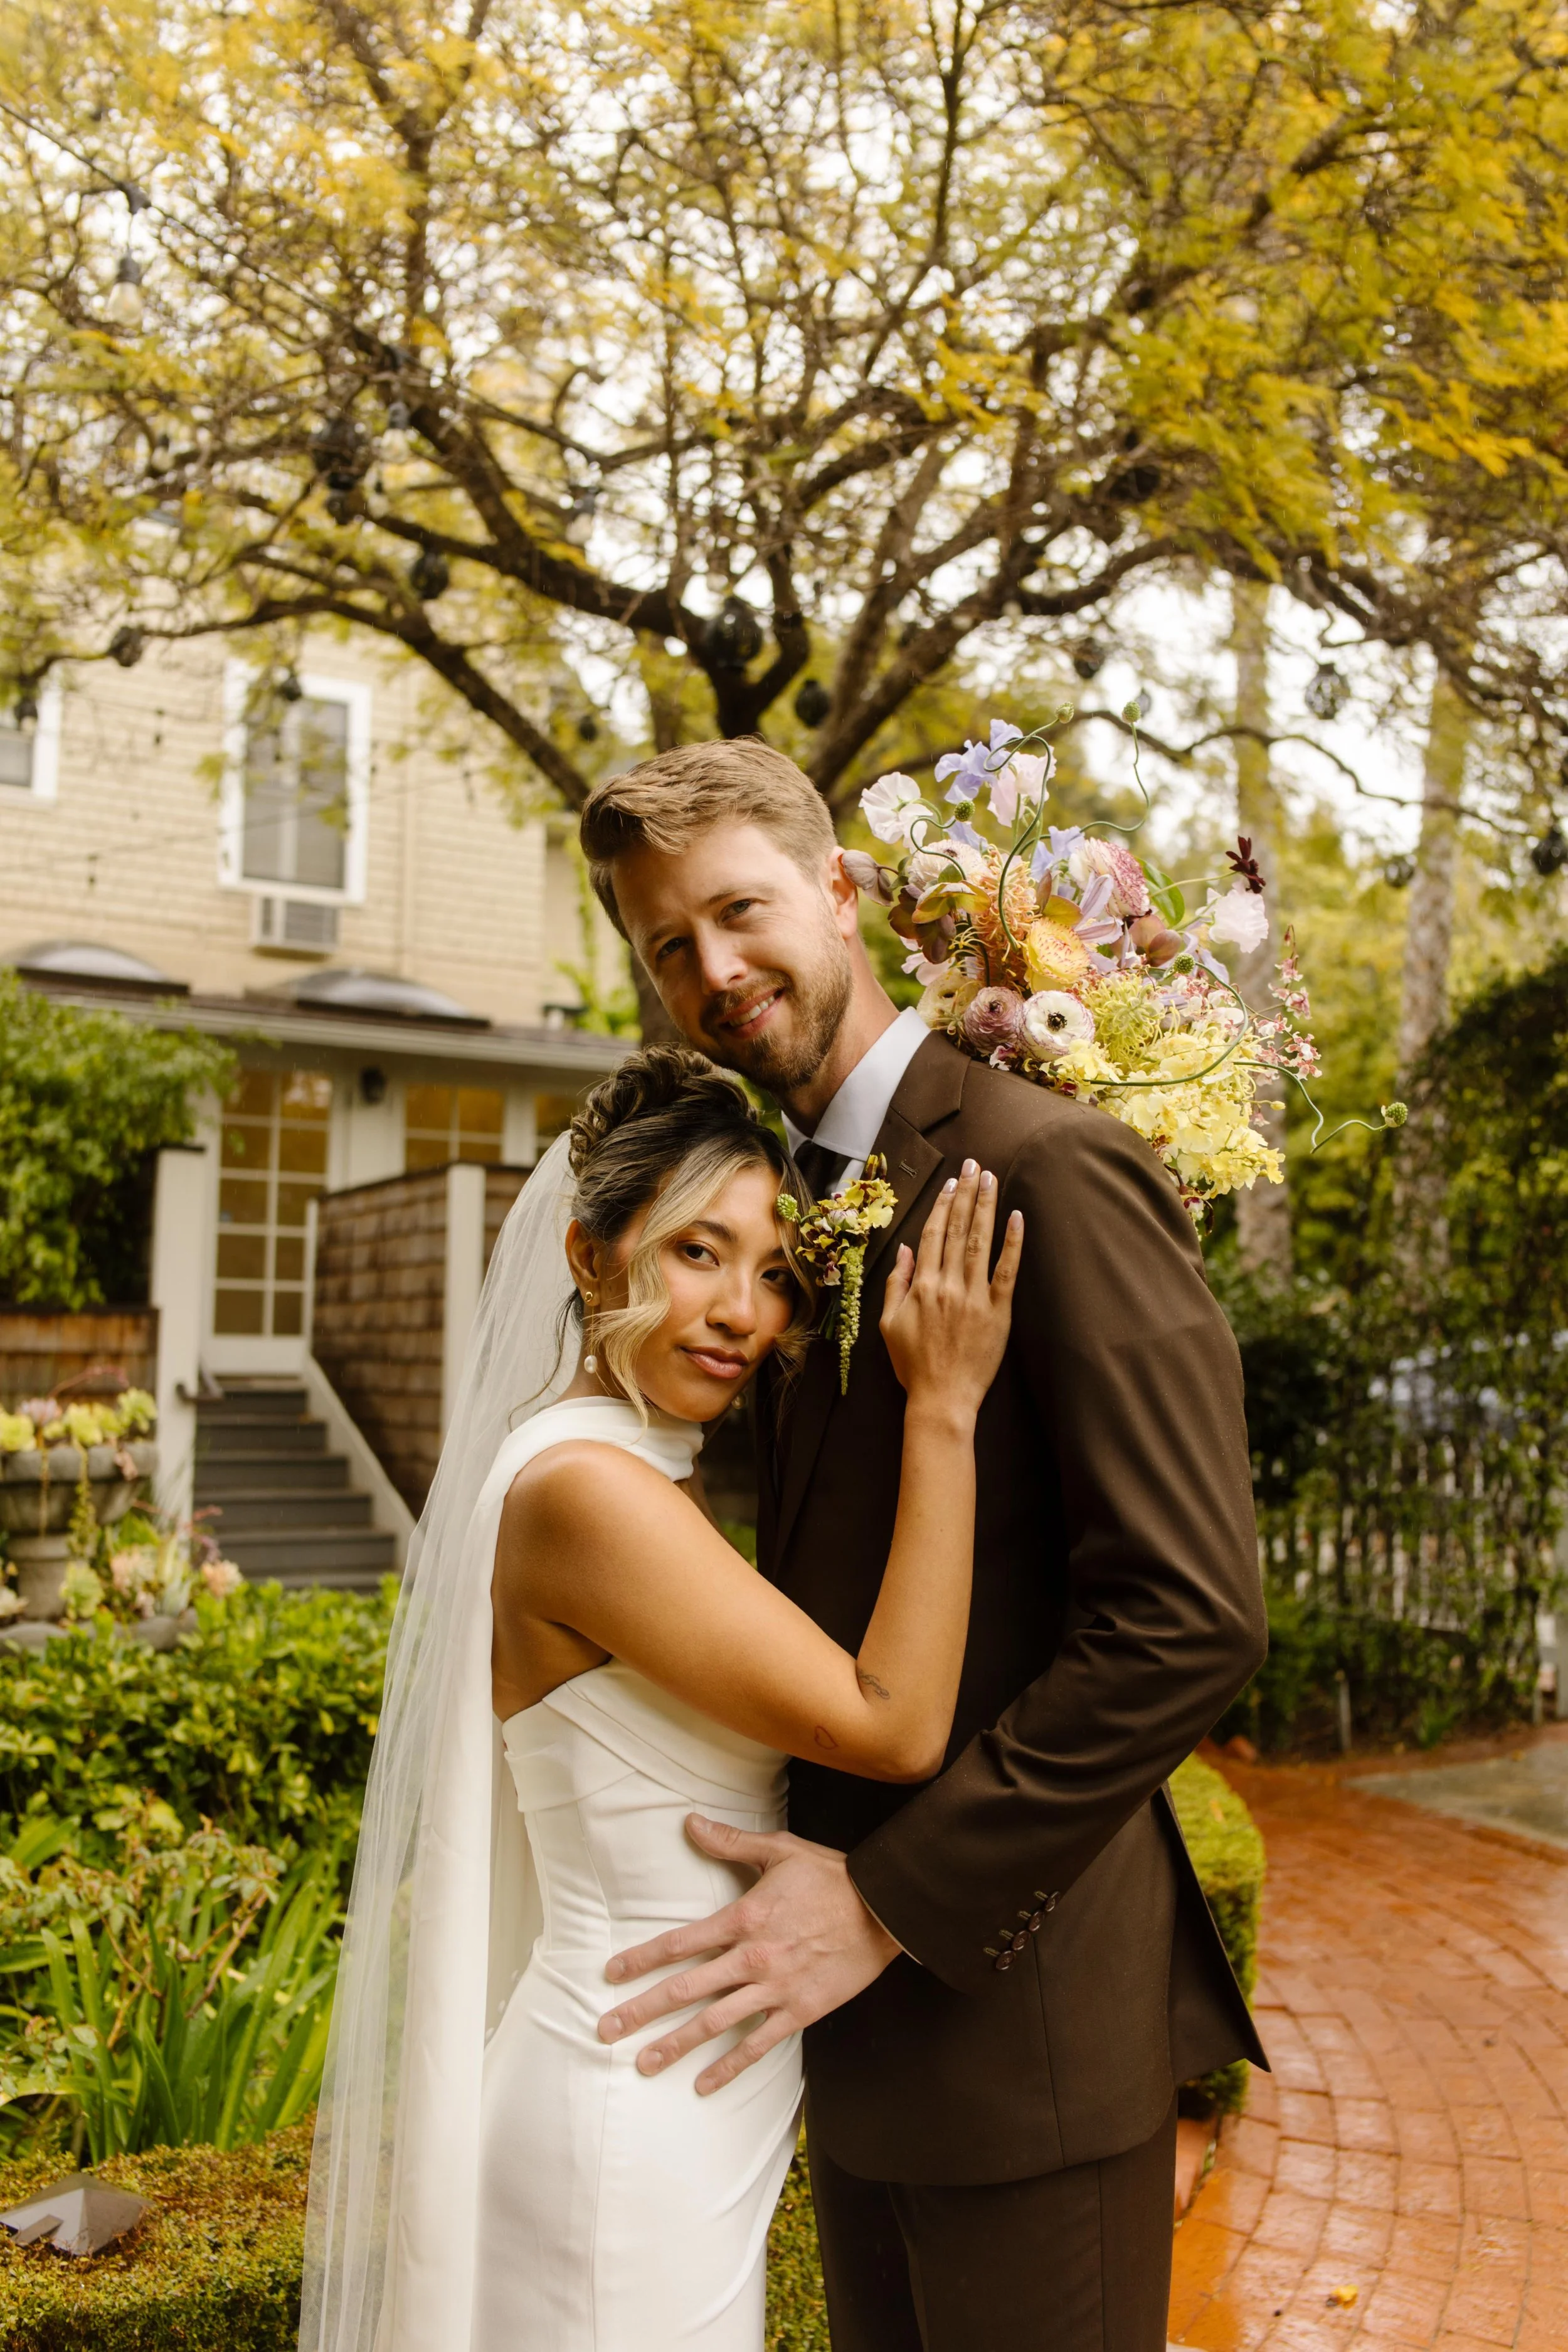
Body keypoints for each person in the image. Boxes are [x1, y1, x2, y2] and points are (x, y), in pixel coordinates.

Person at [578, 740, 1270, 2352]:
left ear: (838, 892)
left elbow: (1187, 1619)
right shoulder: (778, 1214)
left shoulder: (1044, 1167)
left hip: (1007, 2025)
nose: (715, 971)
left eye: (741, 911)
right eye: (666, 944)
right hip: (844, 2045)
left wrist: (887, 1903)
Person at [300, 1046, 1020, 2352]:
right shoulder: (585, 1494)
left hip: (675, 2095)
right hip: (617, 2119)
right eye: (699, 1251)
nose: (744, 1312)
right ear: (589, 1258)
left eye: (774, 1274)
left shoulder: (637, 1465)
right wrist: (947, 1410)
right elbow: (893, 1723)